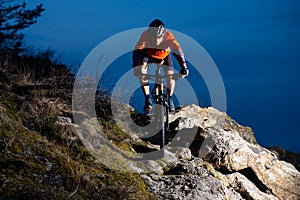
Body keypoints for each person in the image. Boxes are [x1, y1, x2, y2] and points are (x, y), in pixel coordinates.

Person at [132, 19, 189, 112]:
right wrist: (136, 67)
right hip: (148, 55)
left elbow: (177, 50)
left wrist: (184, 67)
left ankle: (170, 99)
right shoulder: (145, 35)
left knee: (170, 75)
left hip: (164, 55)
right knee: (142, 71)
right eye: (153, 38)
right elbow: (138, 50)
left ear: (162, 35)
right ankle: (147, 99)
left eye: (158, 38)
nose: (155, 41)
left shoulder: (168, 35)